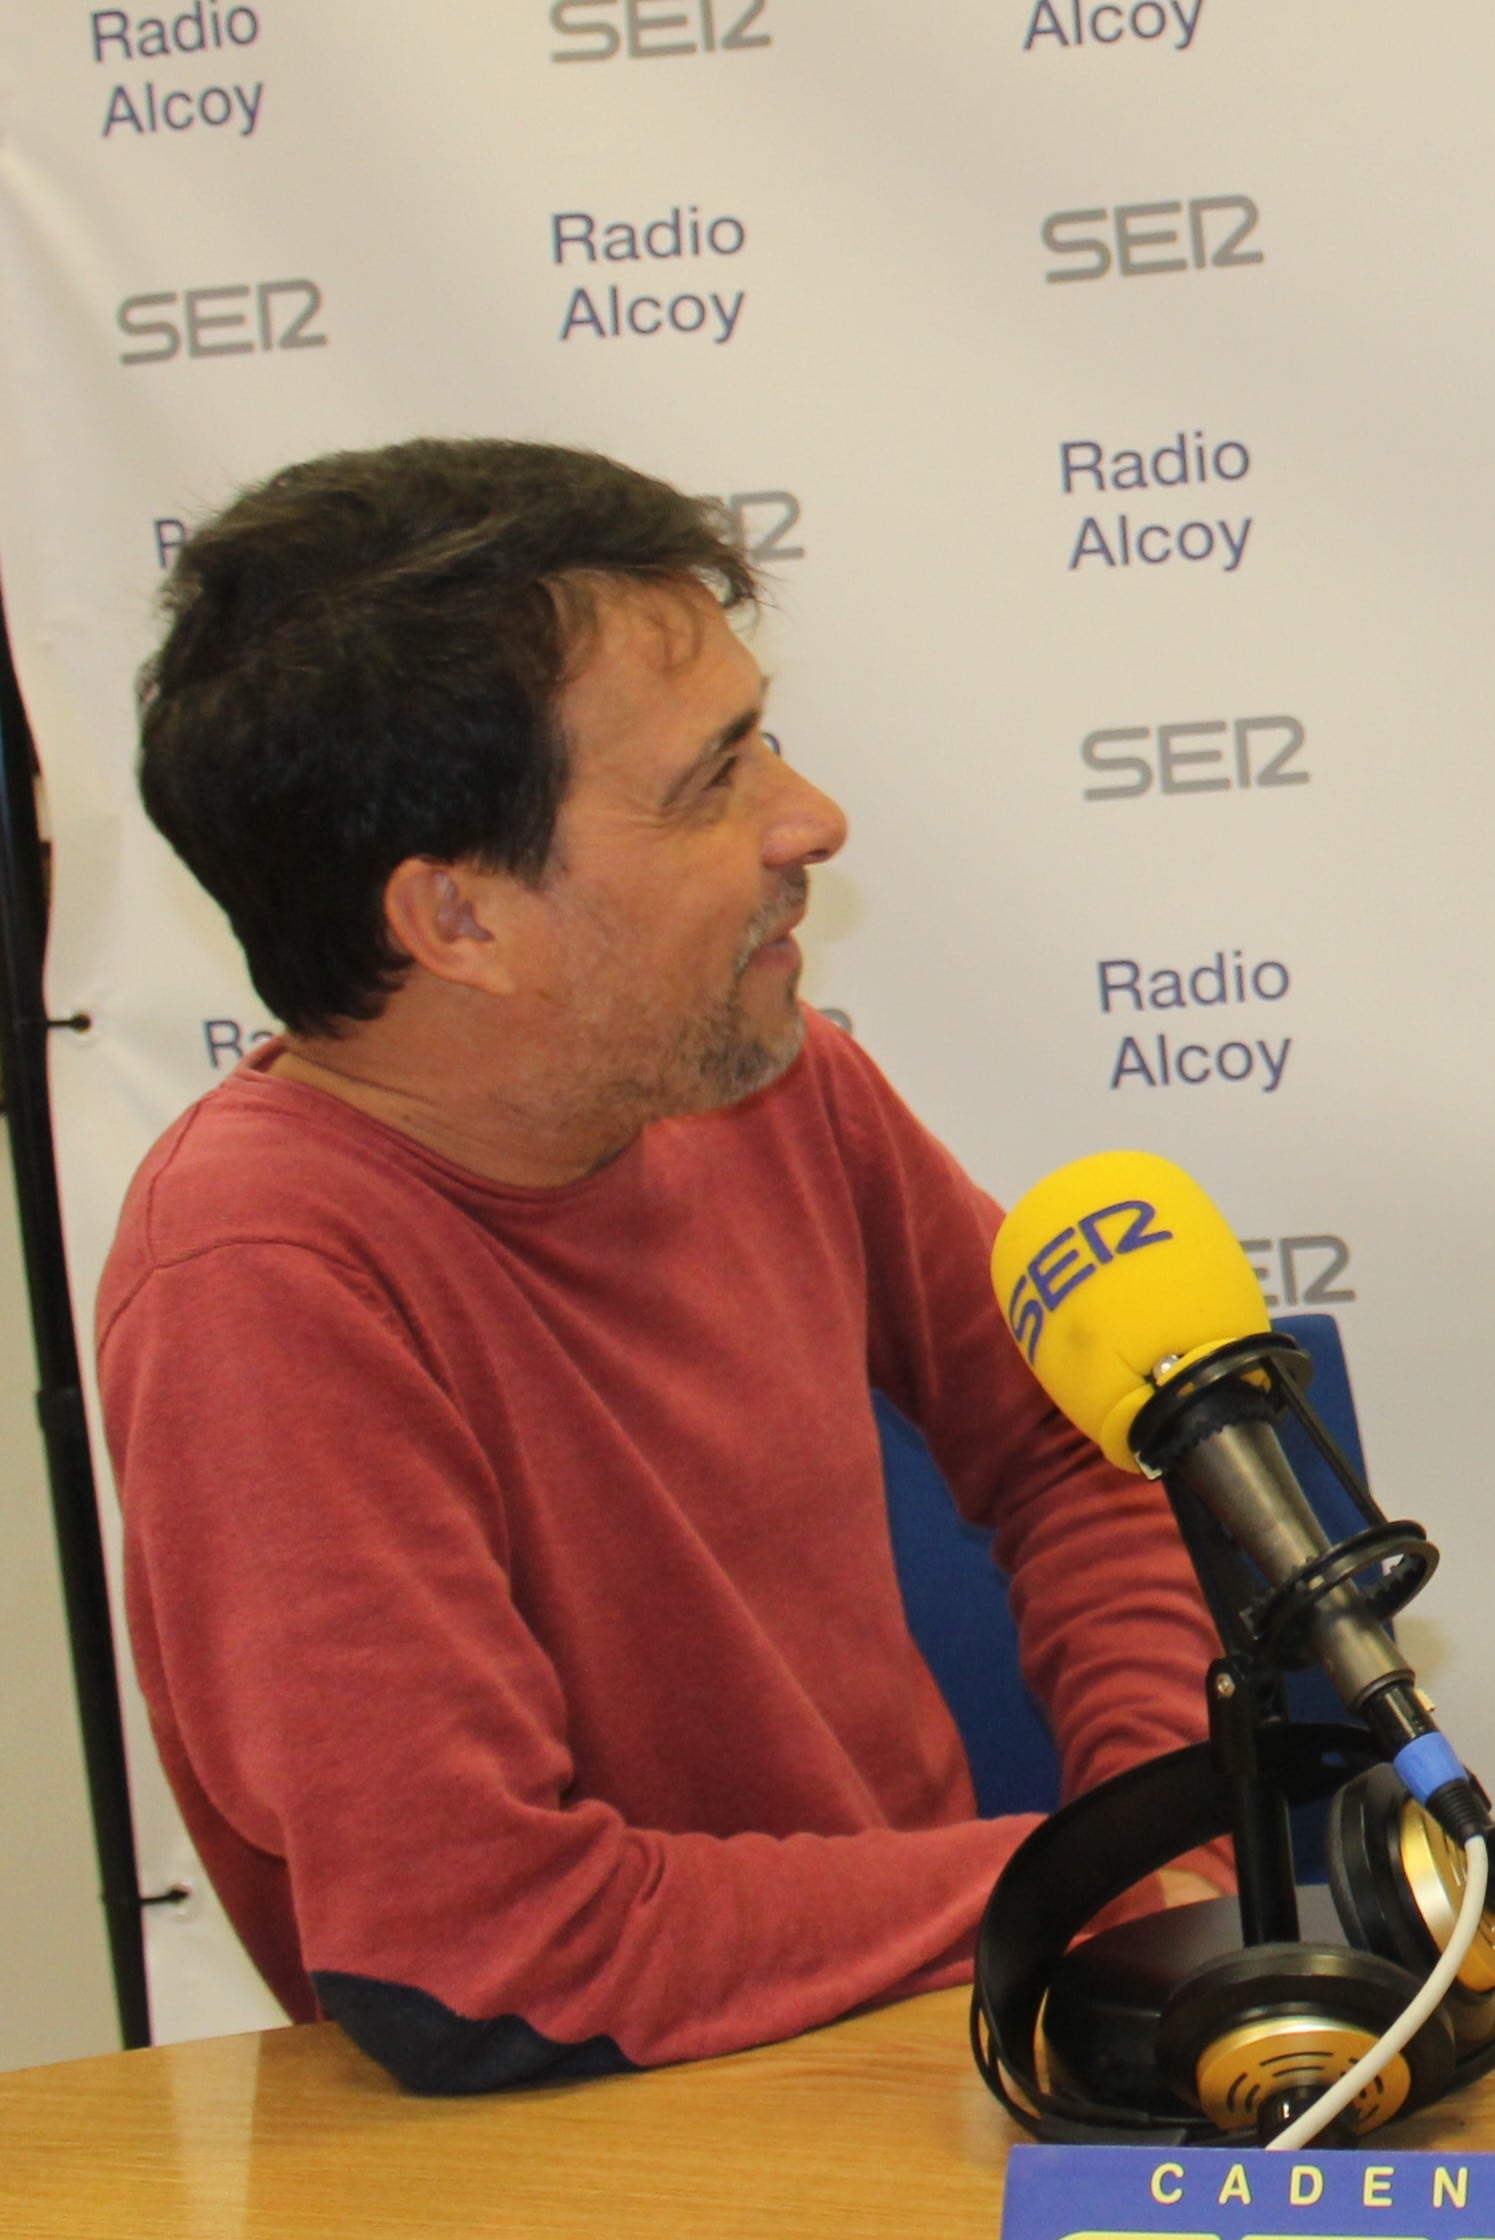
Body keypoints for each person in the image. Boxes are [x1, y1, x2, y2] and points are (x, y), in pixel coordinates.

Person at [99, 439, 1218, 2093]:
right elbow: (480, 1962)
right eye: (711, 781)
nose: (810, 819)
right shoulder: (261, 1276)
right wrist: (1052, 1893)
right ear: (458, 919)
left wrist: (1152, 1833)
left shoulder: (764, 1071)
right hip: (592, 2185)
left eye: (765, 737)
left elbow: (1083, 1441)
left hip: (922, 2059)